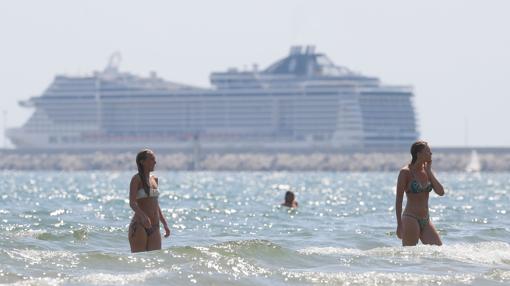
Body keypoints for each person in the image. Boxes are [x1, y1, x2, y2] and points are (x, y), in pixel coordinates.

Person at [395, 141, 445, 246]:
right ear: (419, 154)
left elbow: (441, 192)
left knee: (438, 250)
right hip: (410, 218)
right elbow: (399, 200)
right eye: (428, 151)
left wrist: (429, 172)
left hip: (425, 220)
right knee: (409, 254)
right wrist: (399, 224)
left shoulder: (427, 171)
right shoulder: (405, 172)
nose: (431, 154)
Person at [128, 149, 171, 252]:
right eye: (151, 159)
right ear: (142, 162)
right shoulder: (136, 179)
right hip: (140, 225)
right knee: (139, 261)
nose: (155, 162)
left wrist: (164, 223)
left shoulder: (154, 179)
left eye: (154, 159)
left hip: (155, 226)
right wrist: (143, 216)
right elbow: (132, 203)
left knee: (155, 261)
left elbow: (155, 204)